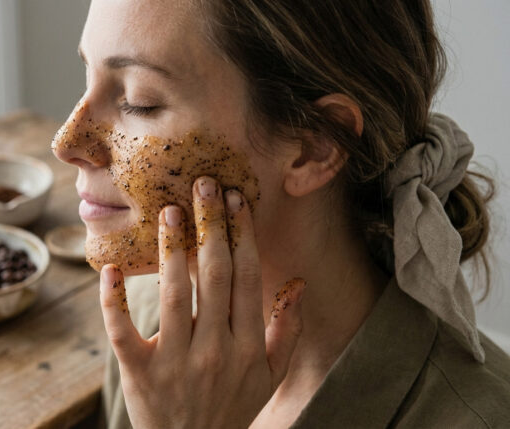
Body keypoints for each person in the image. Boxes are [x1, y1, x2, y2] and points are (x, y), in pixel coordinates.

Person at [51, 0, 510, 427]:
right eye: (86, 74)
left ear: (313, 146)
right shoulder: (150, 319)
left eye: (139, 100)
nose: (67, 142)